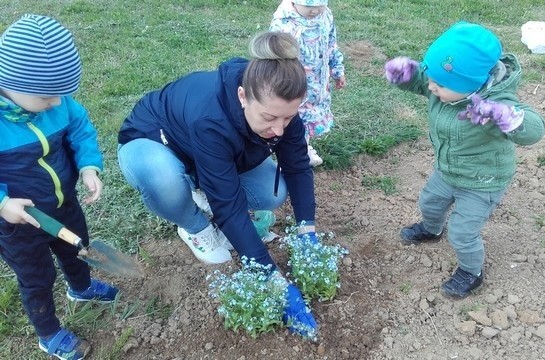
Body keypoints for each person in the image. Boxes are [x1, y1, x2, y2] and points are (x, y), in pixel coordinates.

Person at [117, 31, 318, 336]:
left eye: (287, 119)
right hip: (155, 143)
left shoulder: (280, 108)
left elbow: (299, 168)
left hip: (211, 153)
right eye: (269, 118)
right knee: (163, 179)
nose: (279, 129)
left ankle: (203, 184)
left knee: (272, 192)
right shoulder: (210, 119)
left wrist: (307, 229)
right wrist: (272, 279)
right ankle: (194, 226)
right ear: (242, 97)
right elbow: (229, 205)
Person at [384, 21, 545, 299]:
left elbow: (535, 130)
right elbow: (425, 81)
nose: (431, 87)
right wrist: (407, 75)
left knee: (462, 232)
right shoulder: (446, 85)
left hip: (482, 181)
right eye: (429, 77)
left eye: (439, 83)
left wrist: (508, 117)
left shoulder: (497, 103)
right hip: (447, 170)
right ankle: (432, 230)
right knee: (429, 203)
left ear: (471, 84)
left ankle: (472, 272)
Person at [0, 14, 119, 359]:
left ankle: (80, 287)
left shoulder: (58, 101)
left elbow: (80, 129)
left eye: (62, 94)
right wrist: (3, 203)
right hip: (19, 223)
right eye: (47, 97)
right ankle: (48, 333)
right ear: (9, 82)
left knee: (75, 247)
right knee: (37, 277)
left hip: (64, 204)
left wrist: (88, 166)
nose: (56, 103)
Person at [270, 0, 346, 166]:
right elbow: (273, 57)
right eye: (309, 7)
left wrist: (337, 70)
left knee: (306, 120)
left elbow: (331, 45)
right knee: (293, 118)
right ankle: (290, 158)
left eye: (319, 5)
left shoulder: (325, 17)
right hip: (293, 84)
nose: (315, 11)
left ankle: (303, 147)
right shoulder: (284, 24)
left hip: (317, 84)